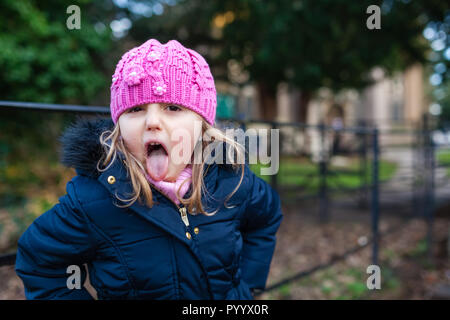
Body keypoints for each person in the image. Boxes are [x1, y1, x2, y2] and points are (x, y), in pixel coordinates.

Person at [14, 39, 283, 300]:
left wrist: (247, 287)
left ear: (202, 125)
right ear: (119, 126)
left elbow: (265, 217)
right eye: (136, 109)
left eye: (173, 107)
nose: (153, 121)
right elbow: (39, 262)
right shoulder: (91, 198)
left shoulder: (232, 179)